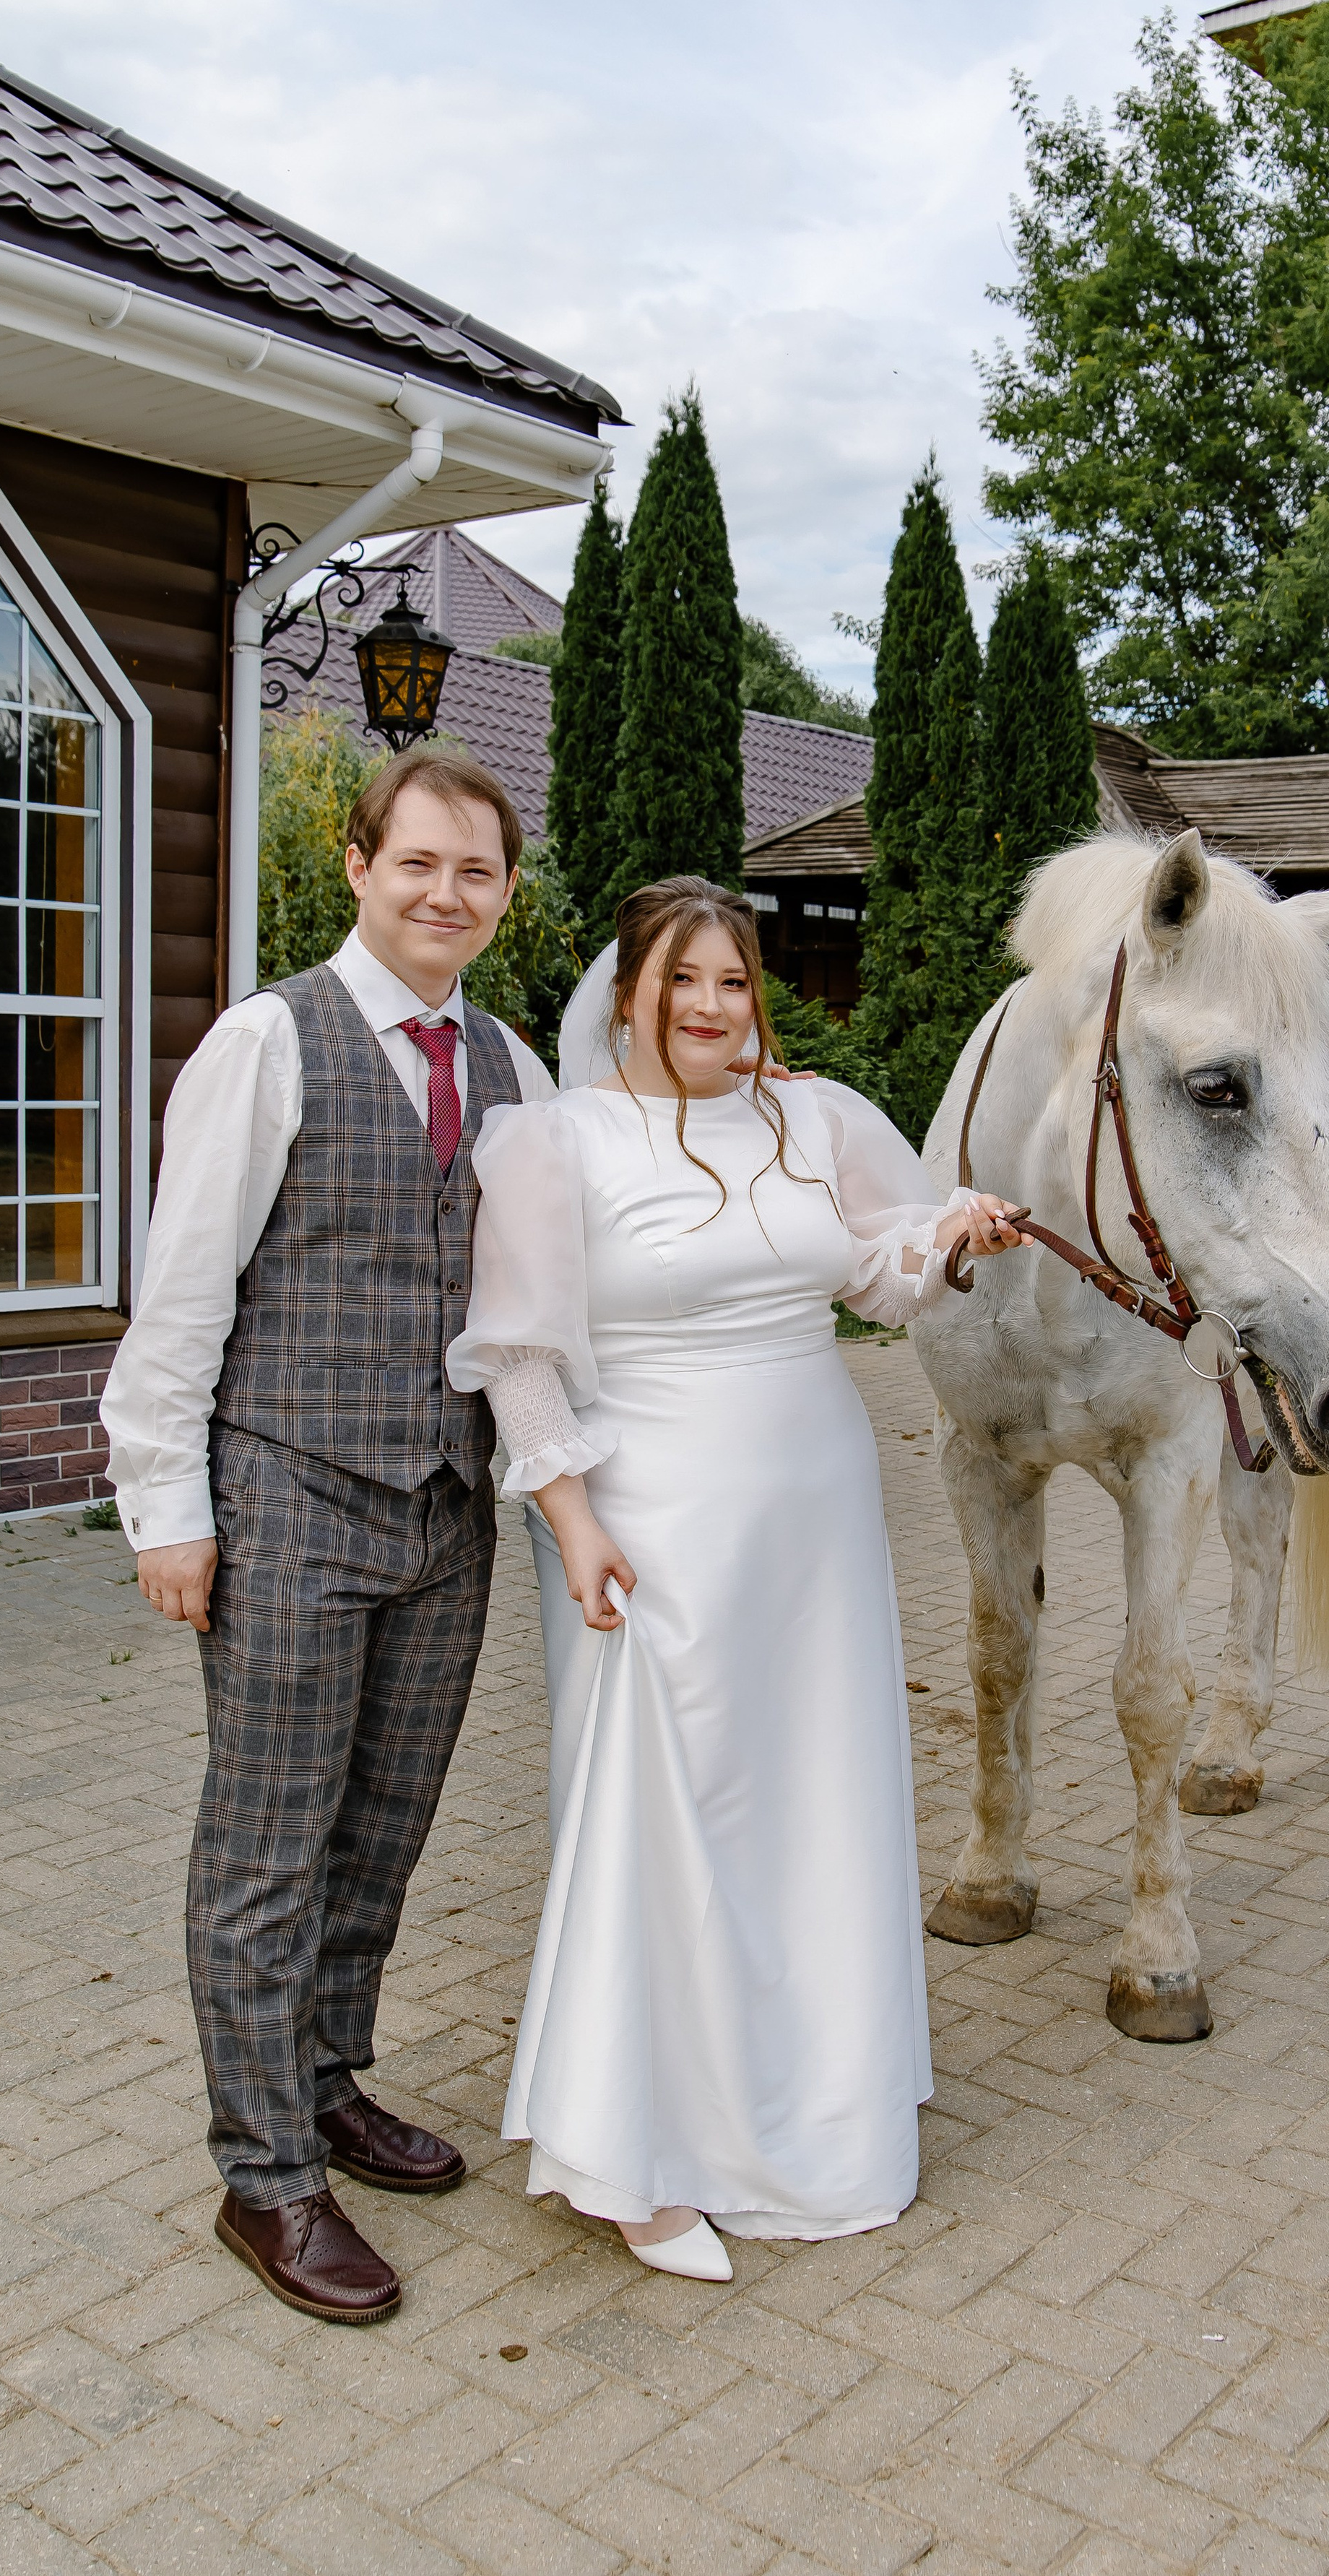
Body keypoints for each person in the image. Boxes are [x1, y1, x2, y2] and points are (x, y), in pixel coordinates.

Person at [449, 876, 1022, 2281]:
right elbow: (519, 1354)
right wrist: (572, 1519)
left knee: (811, 1805)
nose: (710, 1007)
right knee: (665, 1817)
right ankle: (634, 2160)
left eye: (732, 982)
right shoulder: (552, 1142)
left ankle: (815, 2111)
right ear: (627, 992)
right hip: (655, 1518)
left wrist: (947, 1239)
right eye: (682, 981)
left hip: (813, 1519)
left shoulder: (813, 1117)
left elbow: (878, 1280)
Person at [101, 746, 555, 2326]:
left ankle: (323, 2073)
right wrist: (167, 1504)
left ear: (506, 894)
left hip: (445, 1506)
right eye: (418, 861)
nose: (447, 892)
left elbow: (537, 1294)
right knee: (265, 1848)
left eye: (477, 871)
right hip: (289, 1492)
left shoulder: (513, 1063)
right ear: (360, 864)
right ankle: (264, 2172)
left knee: (383, 1828)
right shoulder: (265, 1040)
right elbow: (185, 1286)